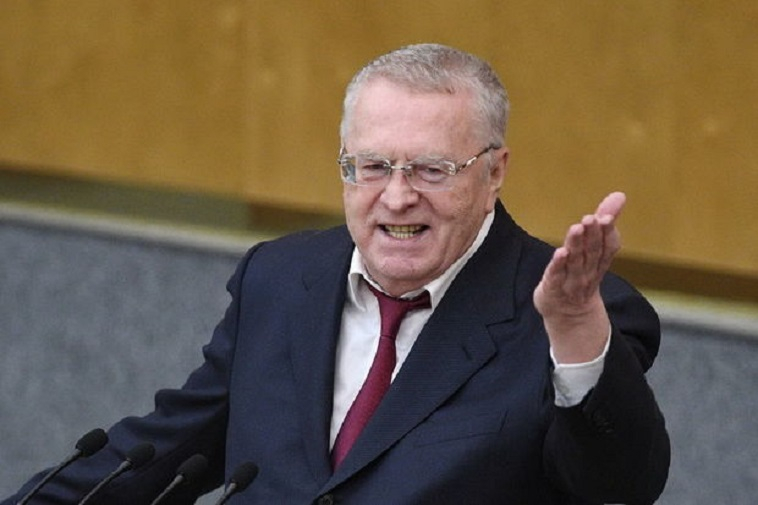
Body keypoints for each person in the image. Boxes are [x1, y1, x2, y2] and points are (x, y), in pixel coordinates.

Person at [3, 43, 669, 504]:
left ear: (494, 171)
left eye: (431, 169)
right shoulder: (280, 277)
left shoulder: (581, 310)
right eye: (372, 167)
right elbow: (159, 452)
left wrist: (575, 330)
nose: (397, 197)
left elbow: (619, 485)